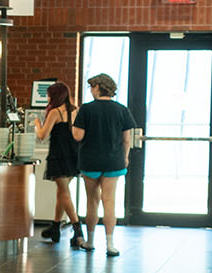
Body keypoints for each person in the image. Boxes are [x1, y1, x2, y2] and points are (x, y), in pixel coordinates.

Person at [75, 73, 139, 256]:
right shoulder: (121, 109)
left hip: (90, 161)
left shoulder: (86, 109)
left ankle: (90, 241)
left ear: (97, 87)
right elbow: (126, 139)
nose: (91, 90)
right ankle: (110, 245)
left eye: (91, 87)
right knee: (109, 201)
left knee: (91, 201)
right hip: (114, 161)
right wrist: (125, 157)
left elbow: (78, 136)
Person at [35, 82, 82, 246]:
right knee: (62, 192)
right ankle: (55, 227)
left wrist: (36, 124)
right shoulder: (75, 110)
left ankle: (78, 230)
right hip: (74, 156)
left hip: (59, 156)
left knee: (64, 193)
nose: (47, 98)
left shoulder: (55, 112)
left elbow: (42, 135)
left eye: (49, 95)